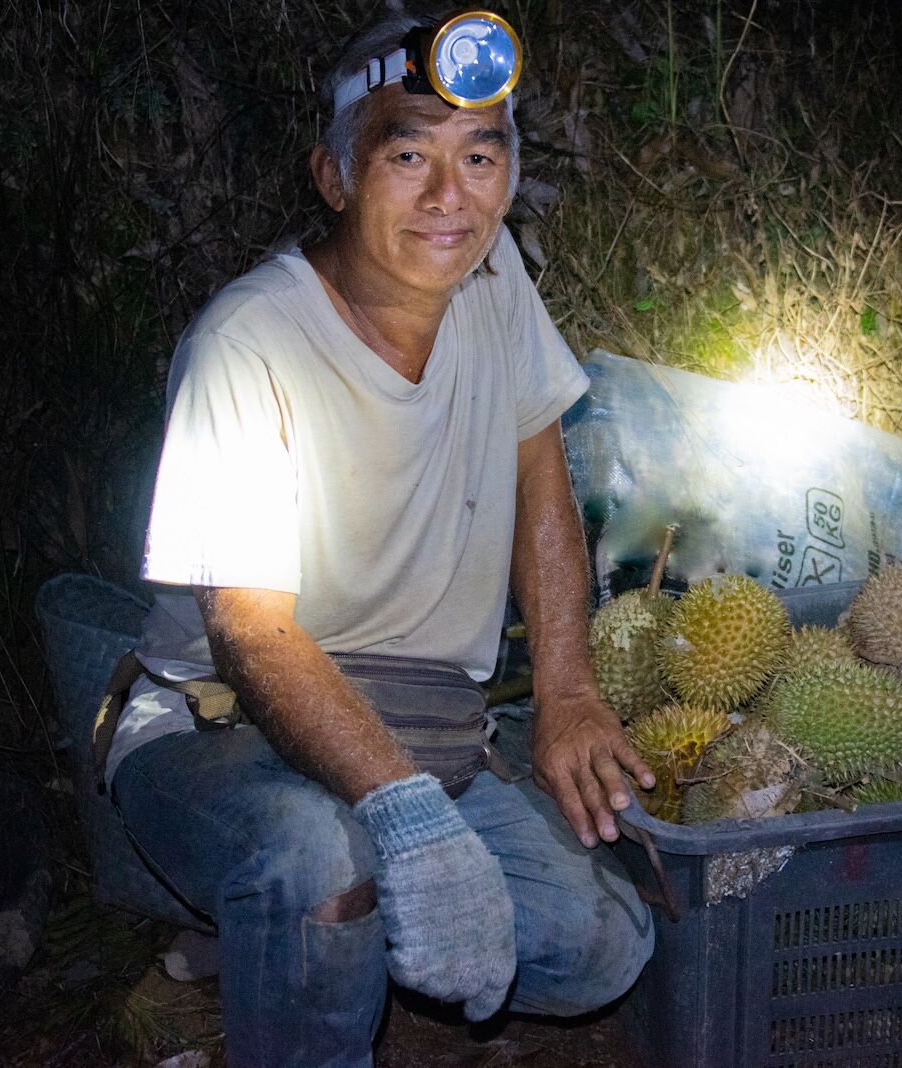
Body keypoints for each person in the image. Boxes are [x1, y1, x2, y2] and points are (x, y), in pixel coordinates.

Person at [101, 11, 656, 1066]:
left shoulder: (490, 285)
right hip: (215, 721)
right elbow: (251, 636)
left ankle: (283, 946)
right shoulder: (249, 344)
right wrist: (403, 814)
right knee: (315, 856)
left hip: (420, 711)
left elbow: (542, 472)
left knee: (595, 948)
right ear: (334, 175)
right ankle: (291, 932)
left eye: (479, 155)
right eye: (408, 155)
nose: (452, 198)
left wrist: (569, 692)